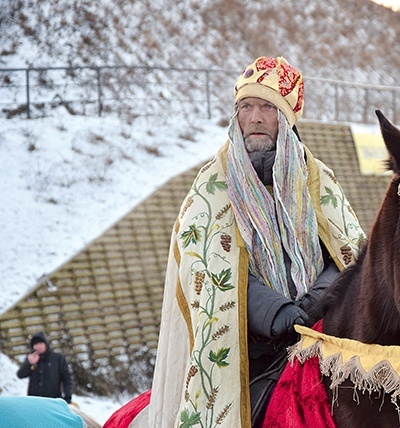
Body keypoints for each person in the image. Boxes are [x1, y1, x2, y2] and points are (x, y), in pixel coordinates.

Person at [124, 56, 365, 428]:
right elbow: (207, 269)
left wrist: (318, 298)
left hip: (320, 334)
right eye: (246, 106)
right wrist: (276, 312)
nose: (255, 117)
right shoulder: (210, 188)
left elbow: (348, 252)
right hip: (247, 346)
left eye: (267, 107)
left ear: (285, 117)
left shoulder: (318, 179)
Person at [16, 331, 73, 403]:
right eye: (35, 344)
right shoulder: (32, 359)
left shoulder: (58, 358)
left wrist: (67, 396)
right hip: (34, 402)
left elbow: (67, 378)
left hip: (53, 401)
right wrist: (29, 363)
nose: (38, 347)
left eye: (40, 343)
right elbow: (20, 375)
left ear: (46, 344)